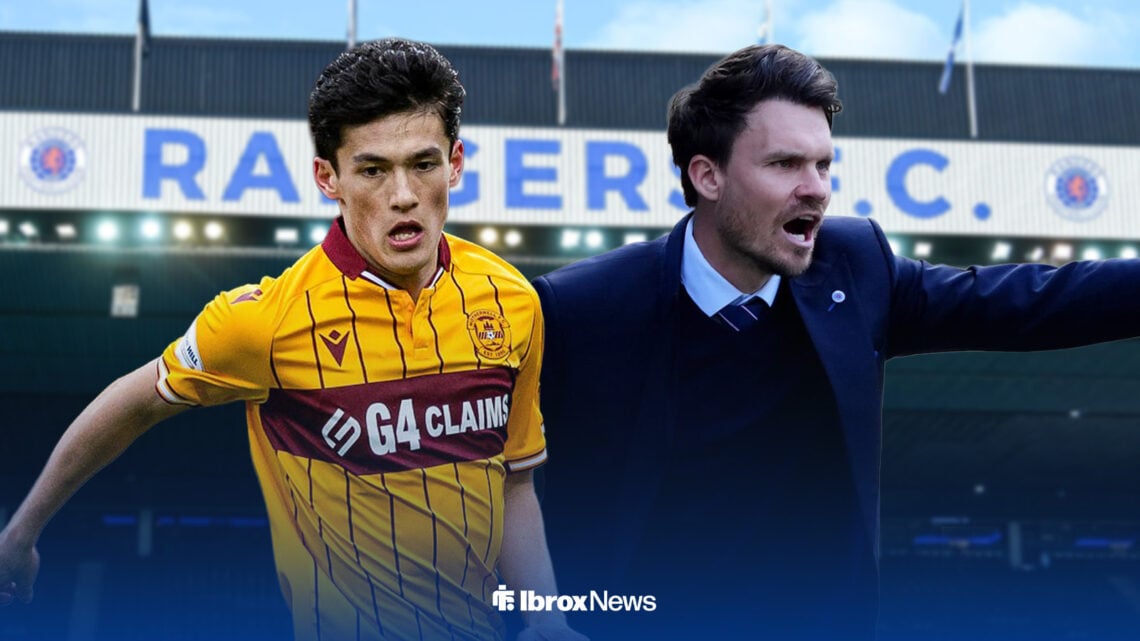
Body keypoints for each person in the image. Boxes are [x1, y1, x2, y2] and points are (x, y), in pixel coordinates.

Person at [533, 43, 1140, 640]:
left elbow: (1024, 302)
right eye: (785, 164)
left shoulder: (854, 265)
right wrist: (536, 615)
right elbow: (503, 481)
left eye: (823, 165)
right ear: (707, 175)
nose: (817, 188)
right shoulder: (581, 309)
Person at [0, 38, 584, 641]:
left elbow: (514, 481)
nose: (403, 195)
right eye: (373, 170)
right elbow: (134, 400)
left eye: (423, 164)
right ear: (329, 177)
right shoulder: (266, 322)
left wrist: (546, 619)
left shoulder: (511, 300)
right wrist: (21, 533)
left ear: (455, 163)